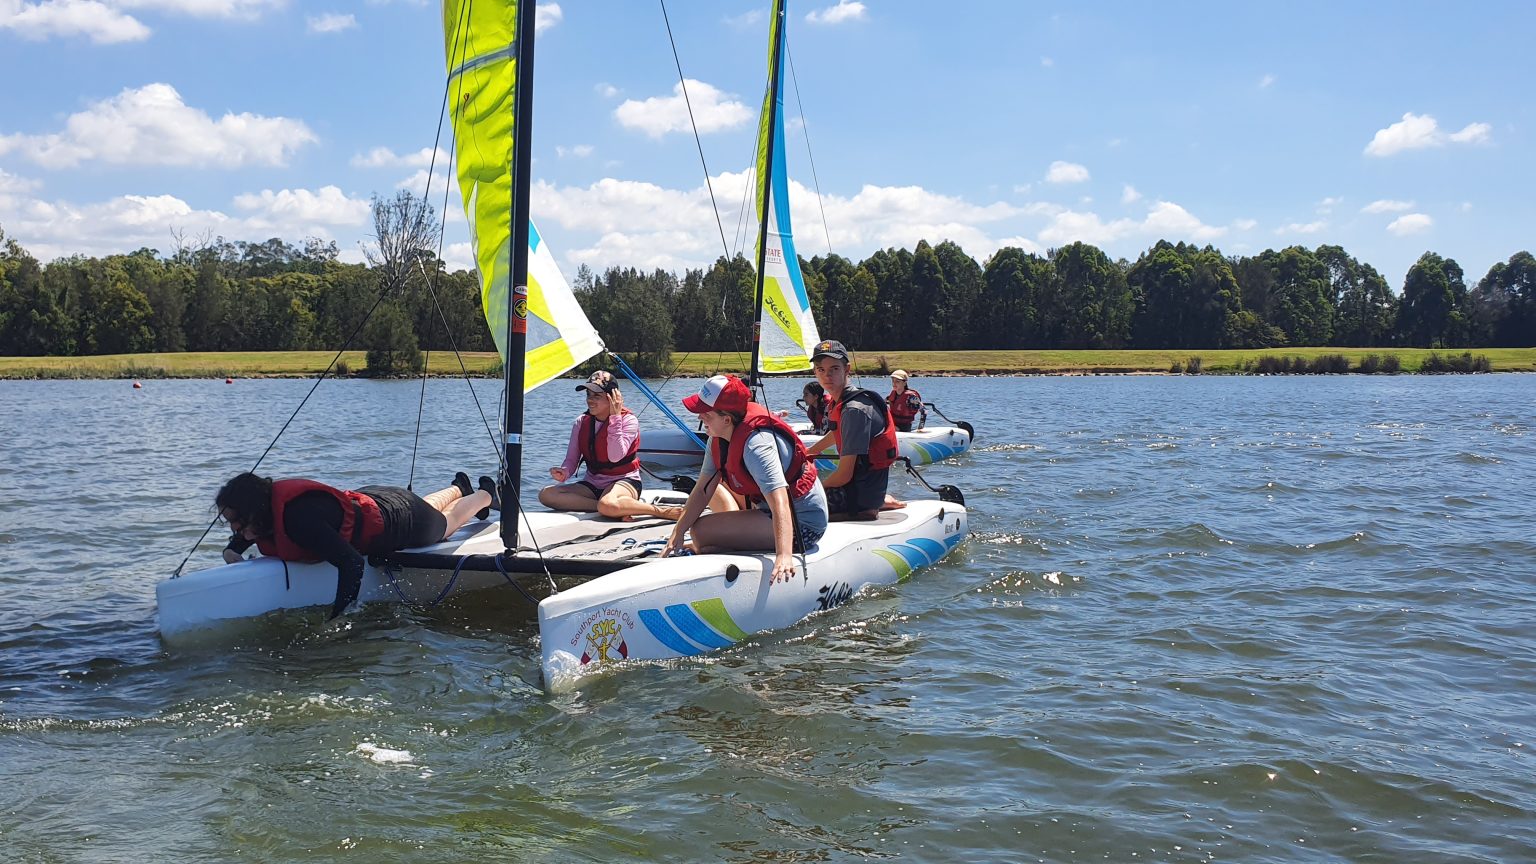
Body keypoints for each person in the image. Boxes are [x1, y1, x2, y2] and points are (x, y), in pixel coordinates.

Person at [216, 470, 498, 620]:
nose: (234, 529)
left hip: (399, 519)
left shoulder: (300, 520)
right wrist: (232, 549)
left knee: (447, 524)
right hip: (379, 498)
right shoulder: (268, 511)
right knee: (432, 511)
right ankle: (460, 488)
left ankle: (486, 494)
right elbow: (249, 533)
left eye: (236, 521)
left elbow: (351, 563)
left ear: (254, 511)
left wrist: (340, 616)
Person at [662, 374, 828, 582]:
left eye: (706, 413)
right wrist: (677, 532)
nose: (699, 418)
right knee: (702, 524)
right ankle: (723, 542)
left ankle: (724, 541)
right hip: (768, 510)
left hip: (803, 524)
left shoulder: (756, 445)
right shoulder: (718, 437)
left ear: (727, 419)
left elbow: (780, 502)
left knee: (700, 531)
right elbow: (703, 490)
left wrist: (784, 556)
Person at [539, 370, 682, 521]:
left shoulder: (629, 421)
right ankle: (608, 507)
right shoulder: (581, 422)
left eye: (596, 396)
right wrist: (565, 472)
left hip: (624, 482)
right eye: (588, 395)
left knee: (607, 504)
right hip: (592, 484)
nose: (590, 400)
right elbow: (571, 459)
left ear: (613, 398)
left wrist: (615, 417)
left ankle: (659, 511)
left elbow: (615, 456)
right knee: (546, 494)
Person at [805, 340, 901, 521]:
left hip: (858, 498)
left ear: (846, 369)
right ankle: (879, 500)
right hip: (864, 491)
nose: (827, 376)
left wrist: (814, 489)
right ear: (815, 372)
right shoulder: (842, 401)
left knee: (789, 508)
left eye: (834, 369)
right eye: (821, 370)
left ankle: (872, 506)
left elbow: (843, 475)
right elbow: (838, 433)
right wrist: (809, 452)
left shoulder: (854, 409)